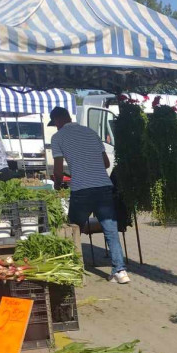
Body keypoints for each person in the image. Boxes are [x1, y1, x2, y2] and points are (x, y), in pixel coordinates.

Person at [49, 106, 130, 284]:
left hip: (81, 190)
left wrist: (57, 184)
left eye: (54, 123)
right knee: (110, 230)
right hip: (103, 187)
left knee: (72, 229)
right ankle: (120, 271)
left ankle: (71, 267)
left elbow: (57, 170)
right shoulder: (91, 132)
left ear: (56, 120)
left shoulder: (57, 137)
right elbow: (106, 162)